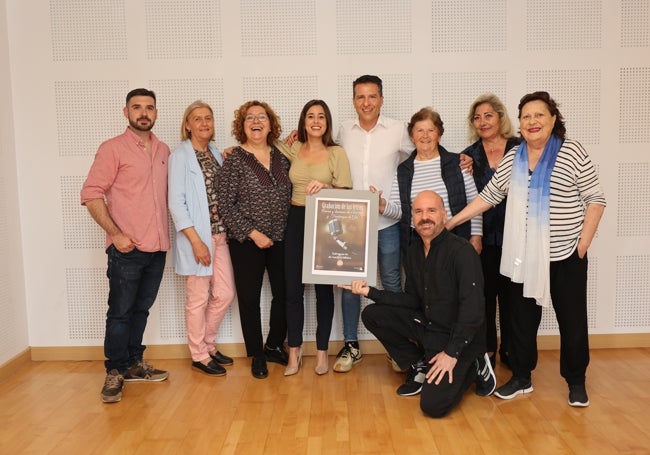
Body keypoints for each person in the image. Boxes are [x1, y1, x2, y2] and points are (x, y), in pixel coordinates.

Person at [446, 91, 606, 407]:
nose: (532, 122)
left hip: (565, 255)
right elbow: (488, 197)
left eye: (539, 116)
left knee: (572, 321)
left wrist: (583, 243)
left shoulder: (572, 153)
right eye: (526, 117)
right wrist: (450, 223)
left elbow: (595, 200)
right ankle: (521, 377)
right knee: (520, 320)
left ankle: (576, 382)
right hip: (523, 255)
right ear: (519, 124)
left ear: (553, 119)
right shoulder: (514, 157)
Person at [334, 75, 473, 373]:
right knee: (348, 287)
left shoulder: (398, 130)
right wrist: (294, 141)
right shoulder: (344, 130)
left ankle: (399, 348)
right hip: (351, 222)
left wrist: (464, 159)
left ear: (381, 99)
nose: (366, 102)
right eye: (360, 96)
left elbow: (430, 154)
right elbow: (321, 150)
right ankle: (351, 345)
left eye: (372, 96)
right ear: (353, 100)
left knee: (394, 282)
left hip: (387, 221)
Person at [340, 190, 496, 418]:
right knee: (373, 314)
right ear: (412, 217)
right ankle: (419, 364)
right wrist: (370, 292)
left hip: (458, 338)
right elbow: (412, 300)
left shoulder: (462, 252)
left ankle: (474, 363)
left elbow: (473, 310)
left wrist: (452, 352)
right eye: (419, 211)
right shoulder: (414, 252)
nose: (425, 217)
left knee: (432, 406)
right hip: (429, 328)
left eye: (432, 211)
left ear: (444, 215)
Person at [81, 88, 170, 403]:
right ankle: (115, 371)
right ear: (126, 112)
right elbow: (91, 193)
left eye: (149, 107)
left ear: (156, 113)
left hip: (157, 248)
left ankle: (134, 363)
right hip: (126, 251)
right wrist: (116, 233)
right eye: (137, 107)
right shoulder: (112, 149)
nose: (143, 113)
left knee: (141, 311)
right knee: (120, 313)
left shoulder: (163, 151)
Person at [218, 100, 291, 379]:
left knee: (284, 295)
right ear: (242, 125)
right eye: (250, 118)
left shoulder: (282, 156)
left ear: (271, 124)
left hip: (283, 237)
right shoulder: (235, 159)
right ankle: (257, 354)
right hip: (247, 241)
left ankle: (273, 345)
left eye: (262, 117)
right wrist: (253, 233)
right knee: (249, 298)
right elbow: (226, 205)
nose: (256, 121)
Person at [278, 100, 352, 376]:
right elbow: (261, 145)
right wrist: (230, 150)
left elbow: (347, 192)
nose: (316, 120)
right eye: (311, 116)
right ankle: (294, 351)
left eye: (321, 116)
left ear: (327, 122)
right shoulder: (293, 147)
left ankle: (322, 352)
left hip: (326, 221)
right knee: (293, 290)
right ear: (303, 121)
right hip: (295, 220)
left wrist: (328, 186)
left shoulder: (337, 153)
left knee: (323, 291)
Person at [168, 101, 236, 376]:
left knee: (225, 293)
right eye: (197, 119)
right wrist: (196, 242)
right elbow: (176, 202)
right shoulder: (180, 156)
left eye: (208, 118)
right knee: (197, 299)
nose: (204, 123)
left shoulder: (215, 154)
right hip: (197, 238)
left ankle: (208, 345)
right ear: (187, 125)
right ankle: (198, 354)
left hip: (219, 235)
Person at [461, 94, 522, 368]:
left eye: (488, 116)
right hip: (483, 239)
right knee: (484, 297)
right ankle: (487, 350)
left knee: (514, 298)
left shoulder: (521, 149)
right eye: (477, 117)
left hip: (518, 238)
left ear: (500, 117)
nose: (483, 122)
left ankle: (511, 349)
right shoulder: (469, 156)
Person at [380, 107, 482, 260]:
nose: (425, 136)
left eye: (431, 130)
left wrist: (476, 235)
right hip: (417, 243)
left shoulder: (459, 163)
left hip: (455, 238)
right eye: (420, 130)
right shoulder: (403, 170)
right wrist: (381, 205)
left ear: (439, 134)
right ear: (412, 136)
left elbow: (475, 203)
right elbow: (401, 212)